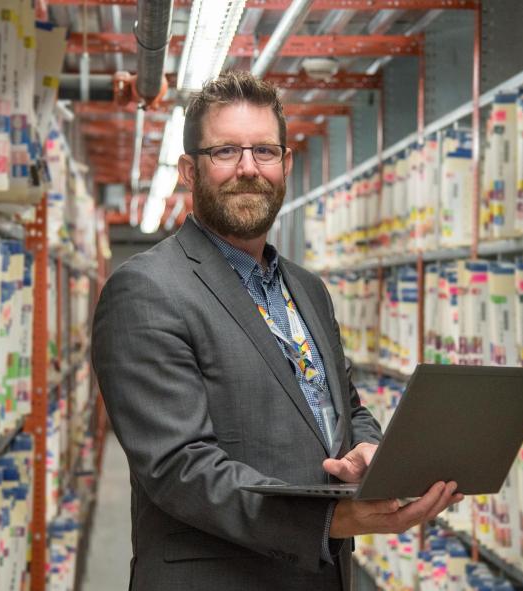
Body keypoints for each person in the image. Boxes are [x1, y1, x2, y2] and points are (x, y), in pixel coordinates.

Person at [91, 70, 463, 591]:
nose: (249, 168)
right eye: (225, 152)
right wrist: (332, 521)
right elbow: (179, 468)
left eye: (265, 151)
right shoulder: (147, 290)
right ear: (188, 171)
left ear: (285, 164)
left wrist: (371, 454)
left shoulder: (307, 289)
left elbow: (345, 406)